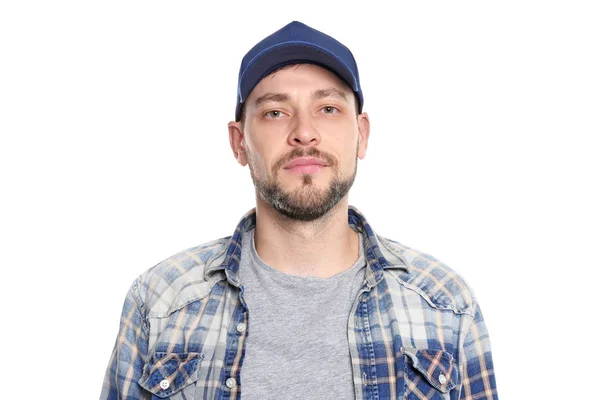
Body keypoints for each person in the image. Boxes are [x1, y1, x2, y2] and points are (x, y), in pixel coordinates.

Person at [101, 21, 498, 400]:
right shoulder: (160, 302)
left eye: (327, 108)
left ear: (361, 135)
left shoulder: (444, 304)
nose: (304, 132)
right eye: (275, 112)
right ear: (239, 143)